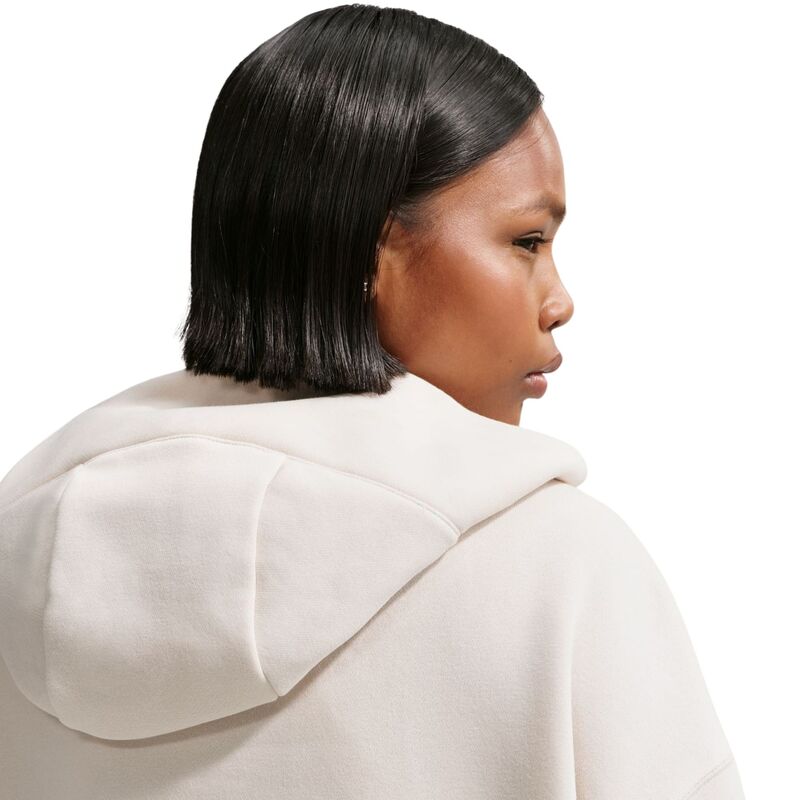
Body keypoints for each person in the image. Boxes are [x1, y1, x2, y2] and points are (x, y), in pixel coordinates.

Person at [0, 5, 746, 799]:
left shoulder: (24, 561)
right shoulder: (561, 568)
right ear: (366, 252)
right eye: (527, 241)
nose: (560, 301)